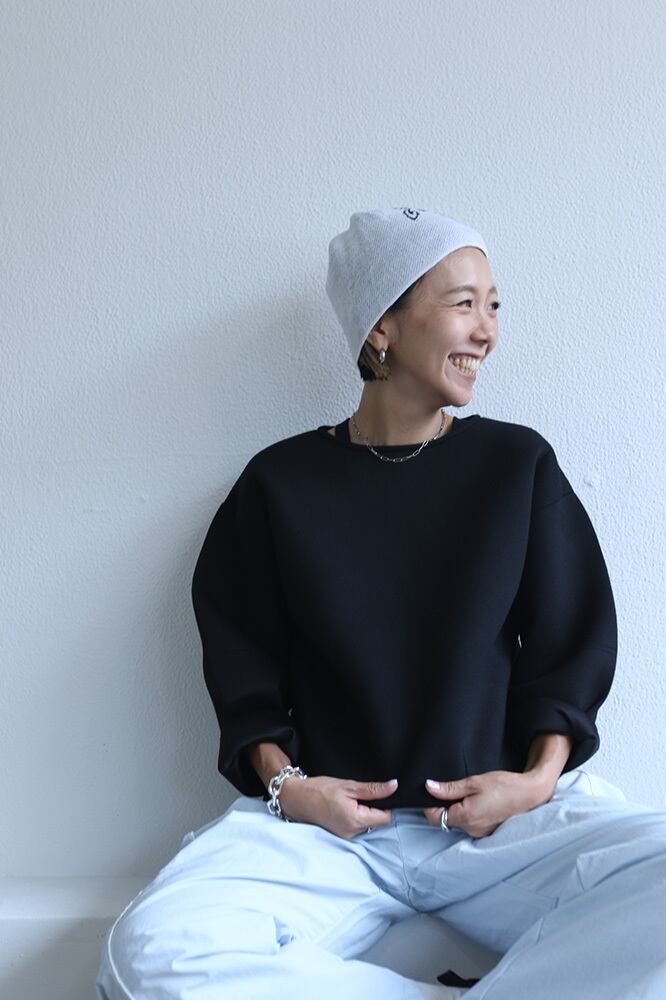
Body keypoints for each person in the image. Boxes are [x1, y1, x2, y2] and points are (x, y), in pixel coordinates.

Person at [96, 208, 666, 1000]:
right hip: (328, 833)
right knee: (147, 954)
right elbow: (244, 670)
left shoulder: (516, 466)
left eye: (493, 305)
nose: (488, 330)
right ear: (382, 327)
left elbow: (571, 646)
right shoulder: (280, 485)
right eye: (463, 303)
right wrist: (289, 787)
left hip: (503, 828)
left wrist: (536, 782)